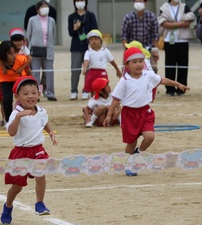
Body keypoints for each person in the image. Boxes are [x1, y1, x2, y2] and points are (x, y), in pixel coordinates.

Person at [103, 47, 189, 176]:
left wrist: (177, 84)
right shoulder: (124, 81)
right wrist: (109, 115)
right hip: (129, 115)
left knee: (150, 136)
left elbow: (162, 80)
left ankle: (138, 153)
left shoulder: (148, 75)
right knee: (131, 143)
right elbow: (116, 99)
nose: (139, 64)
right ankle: (129, 163)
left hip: (145, 112)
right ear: (126, 64)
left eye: (141, 61)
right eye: (134, 62)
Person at [0, 76, 58, 224]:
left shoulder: (41, 110)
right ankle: (8, 206)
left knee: (41, 173)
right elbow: (11, 132)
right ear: (17, 96)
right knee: (17, 186)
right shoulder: (15, 113)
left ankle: (39, 203)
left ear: (39, 94)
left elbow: (44, 122)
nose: (30, 96)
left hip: (37, 149)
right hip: (20, 152)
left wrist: (50, 132)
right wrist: (19, 116)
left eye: (33, 92)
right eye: (25, 94)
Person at [158, 0, 195, 96]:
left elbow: (190, 18)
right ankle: (170, 89)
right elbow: (163, 23)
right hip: (169, 40)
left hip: (183, 40)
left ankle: (181, 88)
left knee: (183, 64)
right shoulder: (164, 7)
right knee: (170, 65)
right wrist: (180, 23)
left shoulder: (184, 6)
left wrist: (172, 23)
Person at [0, 41, 29, 123]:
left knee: (24, 99)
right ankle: (9, 121)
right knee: (6, 101)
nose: (14, 55)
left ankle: (26, 118)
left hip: (19, 80)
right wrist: (3, 67)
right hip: (5, 81)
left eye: (15, 52)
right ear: (4, 55)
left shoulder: (20, 59)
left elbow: (28, 67)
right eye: (10, 54)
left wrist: (33, 81)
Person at [26, 0, 57, 101]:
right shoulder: (32, 20)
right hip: (35, 50)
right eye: (42, 7)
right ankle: (37, 93)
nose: (45, 8)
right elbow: (28, 35)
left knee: (49, 72)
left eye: (46, 6)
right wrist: (31, 47)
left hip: (48, 50)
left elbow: (53, 34)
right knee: (35, 73)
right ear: (37, 9)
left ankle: (50, 93)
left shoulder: (51, 20)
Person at [68, 0, 98, 100]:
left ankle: (86, 90)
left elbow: (95, 30)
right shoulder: (71, 16)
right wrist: (75, 28)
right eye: (78, 0)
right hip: (76, 46)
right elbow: (70, 33)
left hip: (88, 47)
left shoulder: (90, 15)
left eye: (82, 0)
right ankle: (73, 91)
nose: (80, 2)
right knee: (75, 70)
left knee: (89, 70)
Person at [121, 0, 160, 74]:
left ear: (145, 3)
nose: (138, 3)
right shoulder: (128, 18)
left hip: (149, 50)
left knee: (153, 71)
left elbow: (155, 35)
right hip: (132, 49)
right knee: (127, 71)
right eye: (137, 1)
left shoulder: (152, 17)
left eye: (141, 1)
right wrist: (125, 51)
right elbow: (124, 36)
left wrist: (156, 51)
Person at [82, 29, 122, 98]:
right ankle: (93, 103)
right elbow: (86, 61)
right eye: (91, 40)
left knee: (105, 89)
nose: (93, 41)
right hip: (92, 72)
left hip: (102, 72)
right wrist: (84, 68)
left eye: (96, 39)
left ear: (100, 40)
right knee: (93, 90)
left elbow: (112, 61)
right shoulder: (88, 52)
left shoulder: (105, 51)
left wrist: (117, 70)